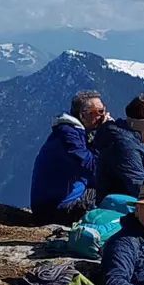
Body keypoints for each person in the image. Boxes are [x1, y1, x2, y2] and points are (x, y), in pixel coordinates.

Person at [29, 89, 107, 223]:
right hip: (55, 208)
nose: (103, 115)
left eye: (103, 110)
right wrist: (104, 135)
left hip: (54, 202)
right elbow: (92, 167)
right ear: (84, 115)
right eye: (99, 111)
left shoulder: (76, 133)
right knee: (114, 197)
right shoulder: (69, 138)